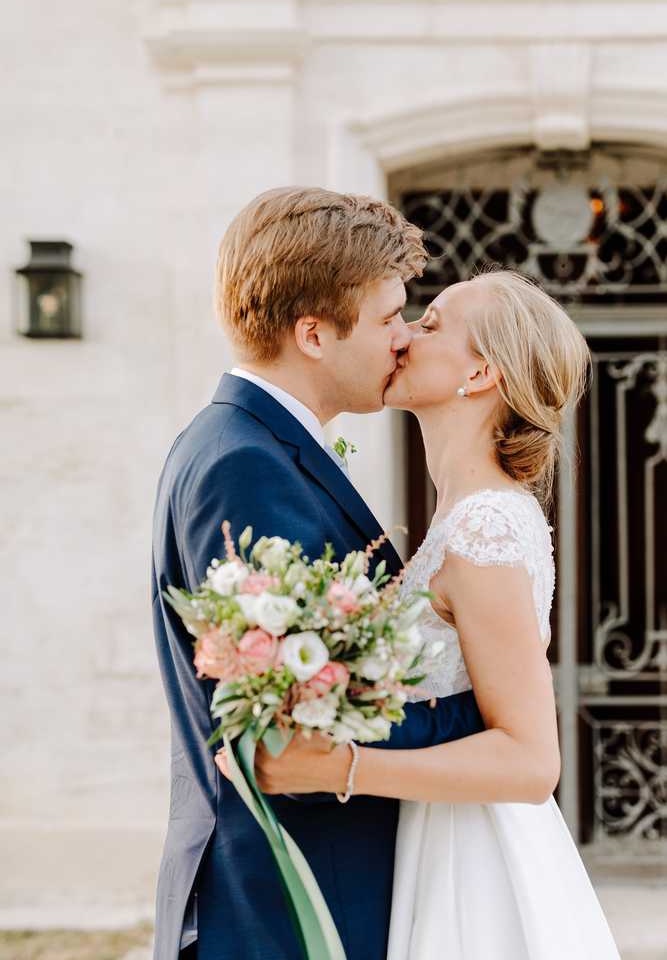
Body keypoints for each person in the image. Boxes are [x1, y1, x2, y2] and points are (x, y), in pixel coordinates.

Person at [228, 270, 621, 958]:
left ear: (479, 374)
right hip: (427, 838)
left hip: (473, 866)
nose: (403, 335)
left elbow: (531, 762)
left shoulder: (486, 530)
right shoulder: (457, 518)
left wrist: (333, 767)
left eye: (431, 323)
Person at [151, 186, 485, 960]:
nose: (402, 339)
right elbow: (294, 729)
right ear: (313, 334)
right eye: (386, 318)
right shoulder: (245, 464)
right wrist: (489, 721)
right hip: (284, 904)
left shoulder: (244, 444)